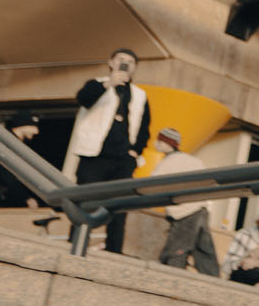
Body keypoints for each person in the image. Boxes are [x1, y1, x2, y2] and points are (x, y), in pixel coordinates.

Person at [64, 48, 152, 254]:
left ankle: (114, 250)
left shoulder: (140, 95)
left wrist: (135, 152)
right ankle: (76, 243)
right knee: (85, 201)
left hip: (123, 158)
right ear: (111, 62)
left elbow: (145, 127)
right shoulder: (96, 83)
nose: (126, 63)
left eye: (131, 61)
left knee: (119, 206)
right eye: (121, 59)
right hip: (94, 156)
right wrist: (108, 84)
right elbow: (83, 99)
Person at [151, 127, 220, 276]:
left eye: (159, 140)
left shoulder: (169, 161)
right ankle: (214, 280)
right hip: (201, 209)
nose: (156, 143)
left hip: (184, 212)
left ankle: (171, 279)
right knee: (204, 250)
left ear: (165, 143)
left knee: (175, 250)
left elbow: (151, 184)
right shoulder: (193, 160)